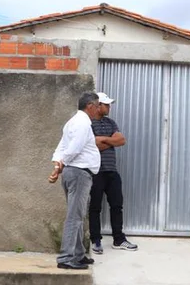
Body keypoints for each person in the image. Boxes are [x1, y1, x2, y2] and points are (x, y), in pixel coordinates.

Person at [50, 92, 102, 270]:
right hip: (79, 173)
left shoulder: (72, 122)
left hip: (75, 173)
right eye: (97, 106)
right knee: (75, 216)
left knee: (78, 214)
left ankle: (78, 255)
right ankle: (66, 258)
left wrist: (58, 166)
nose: (99, 109)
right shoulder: (82, 123)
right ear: (89, 106)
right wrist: (61, 164)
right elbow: (74, 148)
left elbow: (61, 147)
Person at [89, 92, 138, 254]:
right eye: (106, 105)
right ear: (98, 106)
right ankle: (96, 240)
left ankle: (119, 239)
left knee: (117, 205)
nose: (109, 107)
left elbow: (121, 140)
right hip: (95, 172)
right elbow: (92, 145)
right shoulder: (88, 123)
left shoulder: (111, 122)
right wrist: (110, 141)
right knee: (95, 207)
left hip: (112, 172)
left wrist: (104, 140)